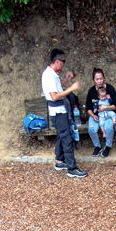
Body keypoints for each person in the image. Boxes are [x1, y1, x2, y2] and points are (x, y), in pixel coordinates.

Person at [41, 48, 85, 178]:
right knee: (66, 138)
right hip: (58, 111)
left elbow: (55, 87)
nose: (64, 64)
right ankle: (72, 168)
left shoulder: (51, 74)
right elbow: (54, 96)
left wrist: (66, 80)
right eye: (63, 61)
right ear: (57, 61)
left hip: (59, 110)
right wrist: (71, 88)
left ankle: (60, 161)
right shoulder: (49, 75)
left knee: (61, 135)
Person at [84, 69, 116, 157]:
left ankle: (108, 146)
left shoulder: (109, 89)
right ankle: (97, 146)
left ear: (104, 78)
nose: (99, 81)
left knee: (108, 128)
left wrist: (106, 107)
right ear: (94, 80)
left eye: (101, 78)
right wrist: (92, 115)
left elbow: (115, 105)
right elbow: (88, 108)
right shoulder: (91, 91)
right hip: (96, 115)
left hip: (108, 114)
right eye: (97, 79)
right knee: (91, 129)